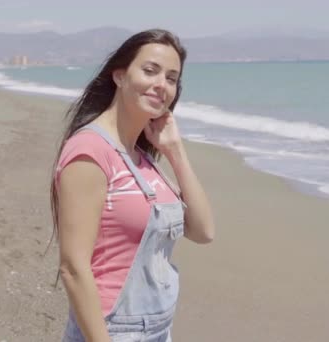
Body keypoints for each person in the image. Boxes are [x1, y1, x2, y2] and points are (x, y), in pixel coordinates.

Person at [50, 29, 215, 342]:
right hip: (111, 331)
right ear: (120, 76)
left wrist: (175, 151)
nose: (161, 85)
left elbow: (203, 231)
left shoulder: (142, 157)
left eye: (171, 78)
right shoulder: (90, 150)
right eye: (150, 71)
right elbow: (73, 268)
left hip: (157, 330)